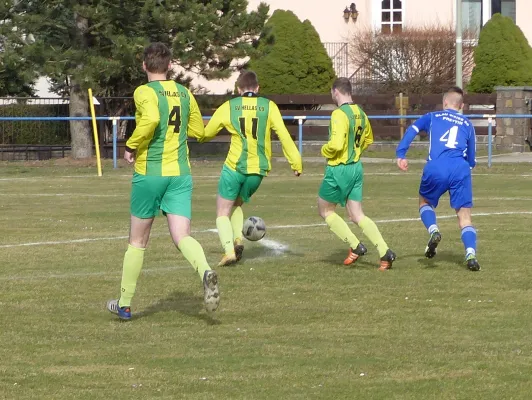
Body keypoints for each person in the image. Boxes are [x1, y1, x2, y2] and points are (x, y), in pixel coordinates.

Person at [107, 42, 220, 320]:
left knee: (137, 240)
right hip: (180, 174)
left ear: (144, 65)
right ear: (170, 66)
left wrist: (131, 145)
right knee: (182, 236)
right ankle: (205, 270)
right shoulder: (184, 92)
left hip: (150, 174)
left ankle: (124, 303)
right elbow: (199, 132)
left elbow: (151, 120)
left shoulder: (144, 91)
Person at [199, 70, 302, 267]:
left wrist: (194, 131)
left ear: (239, 89)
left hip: (234, 167)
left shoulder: (229, 106)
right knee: (237, 204)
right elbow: (284, 135)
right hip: (258, 170)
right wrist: (295, 162)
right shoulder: (269, 106)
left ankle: (229, 250)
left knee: (222, 212)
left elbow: (206, 133)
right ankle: (238, 240)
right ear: (257, 88)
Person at [395, 86, 480, 271]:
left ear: (444, 103)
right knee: (464, 217)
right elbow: (472, 158)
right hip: (460, 169)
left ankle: (433, 230)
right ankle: (471, 254)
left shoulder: (432, 116)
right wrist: (467, 167)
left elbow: (412, 130)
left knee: (424, 202)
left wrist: (401, 153)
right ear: (461, 105)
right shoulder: (467, 124)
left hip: (436, 167)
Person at [318, 78, 396, 271]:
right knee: (357, 214)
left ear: (336, 91)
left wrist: (324, 150)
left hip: (339, 168)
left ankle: (355, 245)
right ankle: (385, 251)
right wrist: (356, 151)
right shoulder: (360, 112)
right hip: (356, 168)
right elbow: (369, 138)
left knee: (325, 210)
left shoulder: (339, 114)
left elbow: (335, 145)